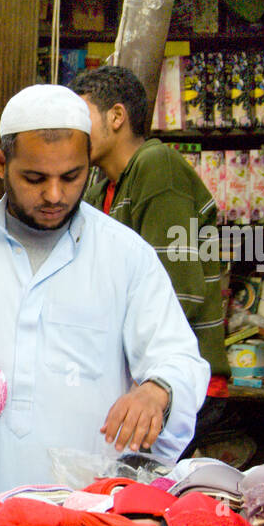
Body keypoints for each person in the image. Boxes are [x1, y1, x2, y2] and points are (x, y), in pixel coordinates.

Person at [0, 84, 209, 511]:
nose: (55, 195)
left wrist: (157, 390)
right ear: (2, 164)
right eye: (35, 178)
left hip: (82, 521)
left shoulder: (127, 256)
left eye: (72, 177)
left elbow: (180, 359)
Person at [71, 65, 231, 443]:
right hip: (135, 382)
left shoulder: (157, 166)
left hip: (179, 381)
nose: (72, 133)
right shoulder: (100, 190)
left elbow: (180, 291)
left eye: (81, 118)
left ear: (116, 117)